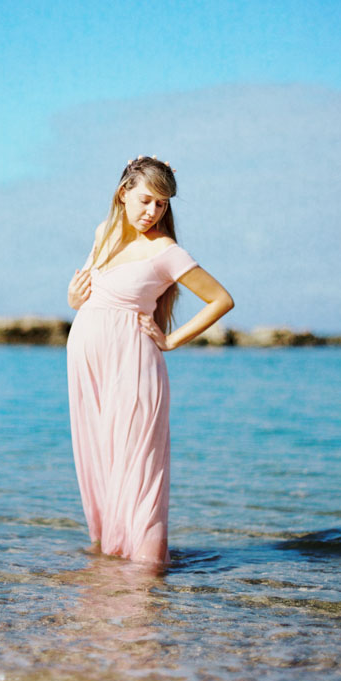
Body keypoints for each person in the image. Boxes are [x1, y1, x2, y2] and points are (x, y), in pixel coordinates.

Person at [66, 155, 234, 568]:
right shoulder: (104, 233)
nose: (152, 212)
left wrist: (173, 339)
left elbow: (221, 300)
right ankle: (110, 562)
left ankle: (146, 573)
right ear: (123, 193)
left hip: (133, 364)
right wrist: (72, 298)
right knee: (102, 458)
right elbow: (87, 295)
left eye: (161, 204)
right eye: (145, 200)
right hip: (88, 365)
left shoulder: (166, 251)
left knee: (139, 463)